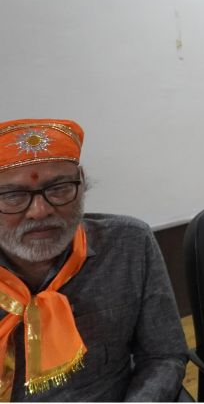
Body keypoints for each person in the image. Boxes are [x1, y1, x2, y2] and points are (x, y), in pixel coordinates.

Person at [0, 119, 188, 401]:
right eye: (12, 195)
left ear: (82, 184)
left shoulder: (128, 244)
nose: (40, 211)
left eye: (59, 188)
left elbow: (164, 355)